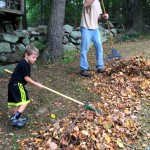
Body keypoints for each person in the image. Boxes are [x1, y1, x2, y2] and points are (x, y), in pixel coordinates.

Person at [8, 45, 43, 127]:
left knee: (16, 103)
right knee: (25, 101)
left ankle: (15, 117)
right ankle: (15, 119)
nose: (35, 59)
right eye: (33, 57)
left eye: (36, 57)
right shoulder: (25, 64)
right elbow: (26, 78)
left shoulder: (22, 63)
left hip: (12, 84)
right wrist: (37, 84)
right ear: (26, 54)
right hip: (18, 84)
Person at [80, 0, 109, 77]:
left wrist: (104, 16)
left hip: (95, 29)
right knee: (84, 49)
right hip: (86, 27)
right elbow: (86, 4)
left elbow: (98, 17)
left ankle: (100, 67)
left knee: (99, 47)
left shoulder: (98, 2)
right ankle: (83, 69)